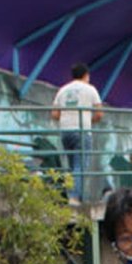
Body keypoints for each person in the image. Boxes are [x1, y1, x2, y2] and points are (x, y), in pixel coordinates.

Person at [51, 63, 103, 204]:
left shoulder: (63, 90)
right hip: (82, 131)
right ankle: (74, 198)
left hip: (65, 131)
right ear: (86, 75)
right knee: (80, 166)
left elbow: (55, 114)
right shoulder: (90, 89)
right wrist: (89, 120)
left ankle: (72, 195)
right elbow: (99, 113)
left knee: (71, 166)